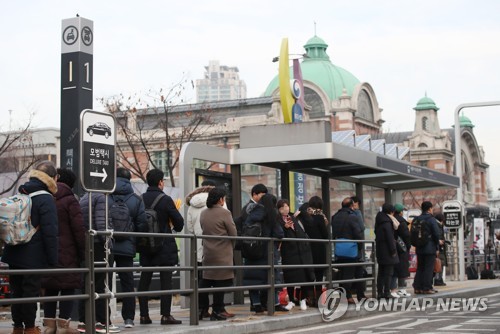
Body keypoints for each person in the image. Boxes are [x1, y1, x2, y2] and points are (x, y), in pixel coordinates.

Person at [2, 161, 59, 334]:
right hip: (33, 255)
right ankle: (30, 328)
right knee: (30, 292)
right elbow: (50, 231)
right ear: (52, 178)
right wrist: (52, 259)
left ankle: (18, 327)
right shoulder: (46, 198)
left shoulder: (22, 192)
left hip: (13, 250)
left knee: (17, 291)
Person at [41, 168, 85, 334]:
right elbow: (79, 229)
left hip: (48, 251)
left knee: (51, 287)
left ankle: (49, 326)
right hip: (68, 252)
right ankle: (63, 327)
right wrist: (83, 252)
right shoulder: (70, 200)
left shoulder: (46, 198)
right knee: (67, 287)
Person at [137, 169, 184, 325]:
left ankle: (144, 315)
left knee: (145, 280)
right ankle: (165, 315)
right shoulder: (166, 199)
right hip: (164, 246)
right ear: (160, 182)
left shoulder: (140, 199)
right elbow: (179, 223)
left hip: (145, 245)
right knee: (166, 281)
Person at [110, 167, 147, 328]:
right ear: (129, 179)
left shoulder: (105, 196)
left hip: (107, 245)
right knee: (127, 282)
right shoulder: (136, 199)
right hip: (127, 247)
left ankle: (103, 318)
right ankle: (129, 318)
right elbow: (142, 224)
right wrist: (135, 243)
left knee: (102, 281)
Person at [79, 191, 119, 333]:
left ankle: (85, 321)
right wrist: (108, 243)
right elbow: (102, 224)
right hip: (98, 245)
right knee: (100, 284)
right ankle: (102, 322)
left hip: (88, 244)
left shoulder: (85, 196)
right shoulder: (101, 197)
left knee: (89, 285)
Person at [242, 193, 286, 314]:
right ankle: (275, 303)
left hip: (251, 250)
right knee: (271, 277)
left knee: (253, 278)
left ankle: (256, 304)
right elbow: (279, 233)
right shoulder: (272, 214)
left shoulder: (251, 213)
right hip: (267, 252)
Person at [198, 187, 237, 321]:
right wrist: (230, 247)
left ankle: (202, 309)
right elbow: (233, 234)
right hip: (222, 253)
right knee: (221, 283)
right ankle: (217, 311)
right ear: (220, 199)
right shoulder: (225, 213)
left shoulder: (203, 213)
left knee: (206, 281)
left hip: (208, 252)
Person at [277, 199, 315, 311]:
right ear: (278, 209)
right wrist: (285, 228)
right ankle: (292, 301)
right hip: (288, 252)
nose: (286, 209)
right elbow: (278, 234)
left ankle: (302, 299)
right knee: (289, 276)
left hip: (300, 251)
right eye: (283, 207)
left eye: (287, 206)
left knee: (302, 276)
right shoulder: (278, 220)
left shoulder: (294, 218)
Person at [331, 197, 364, 304]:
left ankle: (345, 295)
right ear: (351, 205)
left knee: (342, 273)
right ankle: (348, 296)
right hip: (350, 249)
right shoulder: (352, 216)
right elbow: (358, 233)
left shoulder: (335, 216)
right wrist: (360, 247)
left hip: (339, 249)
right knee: (349, 273)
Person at [301, 196, 329, 305]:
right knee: (318, 275)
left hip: (306, 249)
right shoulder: (320, 217)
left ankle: (309, 298)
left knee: (308, 275)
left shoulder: (304, 217)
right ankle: (318, 299)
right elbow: (325, 235)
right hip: (318, 249)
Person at [412, 201, 442, 294]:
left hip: (419, 247)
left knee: (420, 268)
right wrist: (437, 246)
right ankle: (427, 288)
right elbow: (436, 234)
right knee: (428, 268)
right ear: (430, 209)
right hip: (429, 248)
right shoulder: (431, 219)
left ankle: (417, 287)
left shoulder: (416, 219)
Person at [374, 203, 399, 299]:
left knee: (381, 272)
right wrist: (393, 250)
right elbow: (389, 237)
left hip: (380, 249)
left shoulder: (379, 220)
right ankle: (387, 292)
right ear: (391, 212)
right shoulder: (387, 222)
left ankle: (380, 292)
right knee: (388, 272)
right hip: (388, 251)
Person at [390, 203, 411, 297]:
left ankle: (393, 289)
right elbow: (407, 236)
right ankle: (401, 289)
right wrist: (408, 247)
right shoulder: (402, 222)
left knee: (394, 269)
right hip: (402, 249)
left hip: (392, 248)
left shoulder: (390, 220)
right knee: (402, 269)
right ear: (401, 212)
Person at [433, 213, 447, 286]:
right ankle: (438, 279)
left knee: (439, 263)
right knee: (439, 264)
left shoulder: (437, 225)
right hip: (439, 248)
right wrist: (440, 242)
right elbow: (438, 236)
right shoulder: (438, 225)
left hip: (439, 248)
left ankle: (439, 279)